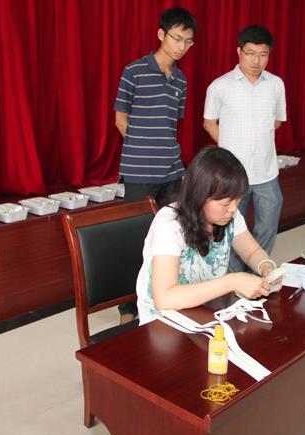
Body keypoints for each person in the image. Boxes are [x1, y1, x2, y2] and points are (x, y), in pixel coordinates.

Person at [135, 146, 281, 325]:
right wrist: (232, 282)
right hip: (163, 322)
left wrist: (265, 266)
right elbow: (165, 299)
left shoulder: (230, 216)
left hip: (207, 311)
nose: (233, 209)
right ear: (200, 196)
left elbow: (252, 252)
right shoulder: (169, 224)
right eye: (225, 203)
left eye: (238, 199)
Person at [114, 7, 196, 323]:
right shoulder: (133, 71)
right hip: (139, 171)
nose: (181, 46)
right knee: (134, 237)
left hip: (173, 171)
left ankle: (168, 295)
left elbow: (171, 124)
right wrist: (140, 146)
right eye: (177, 38)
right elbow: (120, 118)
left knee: (174, 234)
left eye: (188, 41)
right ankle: (128, 308)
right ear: (161, 35)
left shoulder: (181, 80)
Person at [203, 25, 287, 273]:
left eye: (263, 54)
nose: (256, 60)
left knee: (267, 226)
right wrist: (229, 149)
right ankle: (233, 278)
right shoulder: (220, 86)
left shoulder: (276, 84)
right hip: (233, 176)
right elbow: (209, 122)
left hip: (266, 173)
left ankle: (256, 274)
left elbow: (277, 121)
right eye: (250, 53)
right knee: (229, 229)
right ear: (239, 51)